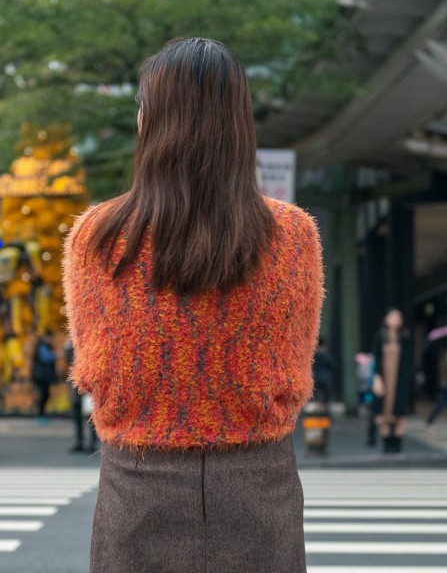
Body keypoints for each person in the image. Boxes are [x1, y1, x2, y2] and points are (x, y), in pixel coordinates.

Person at [63, 38, 325, 572]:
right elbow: (294, 371)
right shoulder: (293, 236)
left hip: (137, 490)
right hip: (258, 490)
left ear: (151, 122)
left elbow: (95, 372)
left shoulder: (97, 237)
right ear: (239, 124)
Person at [372, 308, 415, 453]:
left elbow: (408, 361)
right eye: (393, 316)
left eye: (399, 317)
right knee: (383, 411)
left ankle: (397, 445)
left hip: (400, 379)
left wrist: (408, 380)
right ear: (386, 319)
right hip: (384, 378)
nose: (396, 319)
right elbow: (376, 358)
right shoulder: (380, 337)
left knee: (399, 412)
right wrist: (377, 378)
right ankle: (386, 445)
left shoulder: (405, 337)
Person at [65, 337, 97, 453]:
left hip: (88, 386)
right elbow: (68, 360)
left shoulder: (91, 342)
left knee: (90, 415)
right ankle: (80, 441)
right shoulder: (71, 343)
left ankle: (92, 442)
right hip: (76, 386)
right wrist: (68, 346)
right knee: (77, 414)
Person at [32, 333, 58, 425]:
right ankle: (41, 414)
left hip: (44, 376)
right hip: (42, 376)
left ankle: (42, 414)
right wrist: (56, 354)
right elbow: (47, 358)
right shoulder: (42, 347)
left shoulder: (44, 346)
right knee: (44, 395)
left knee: (45, 395)